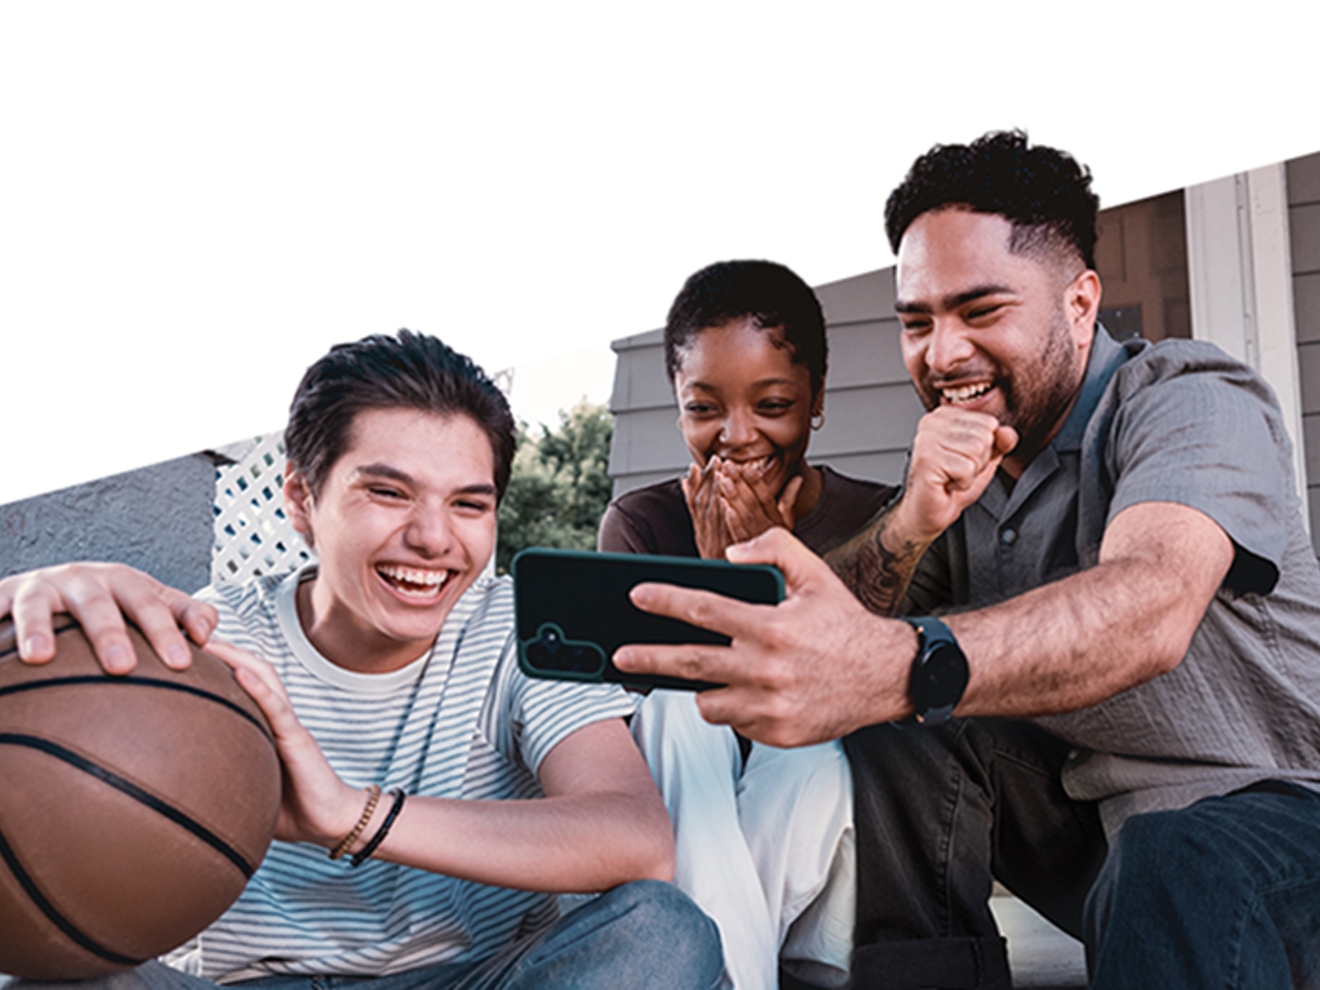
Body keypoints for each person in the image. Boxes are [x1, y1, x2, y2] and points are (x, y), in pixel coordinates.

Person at [610, 131, 1320, 989]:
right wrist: (910, 521)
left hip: (1281, 820)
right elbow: (843, 645)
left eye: (980, 312)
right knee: (896, 722)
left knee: (1164, 848)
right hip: (1097, 832)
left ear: (1080, 304)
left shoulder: (1190, 399)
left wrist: (900, 661)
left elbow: (1151, 607)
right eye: (918, 321)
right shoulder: (965, 470)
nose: (941, 354)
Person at [0, 330, 721, 990]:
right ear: (301, 498)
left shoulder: (515, 631)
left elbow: (635, 842)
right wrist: (24, 631)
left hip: (464, 981)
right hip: (244, 986)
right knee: (53, 977)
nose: (434, 538)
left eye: (469, 505)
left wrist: (351, 814)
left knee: (661, 935)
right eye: (387, 492)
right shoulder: (214, 638)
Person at [599, 260, 896, 990]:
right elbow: (646, 739)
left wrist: (760, 570)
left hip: (827, 852)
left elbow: (855, 685)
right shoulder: (640, 524)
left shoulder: (877, 519)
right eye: (704, 409)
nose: (736, 436)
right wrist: (718, 580)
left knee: (810, 746)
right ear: (678, 409)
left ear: (815, 398)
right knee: (675, 709)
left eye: (771, 404)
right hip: (694, 832)